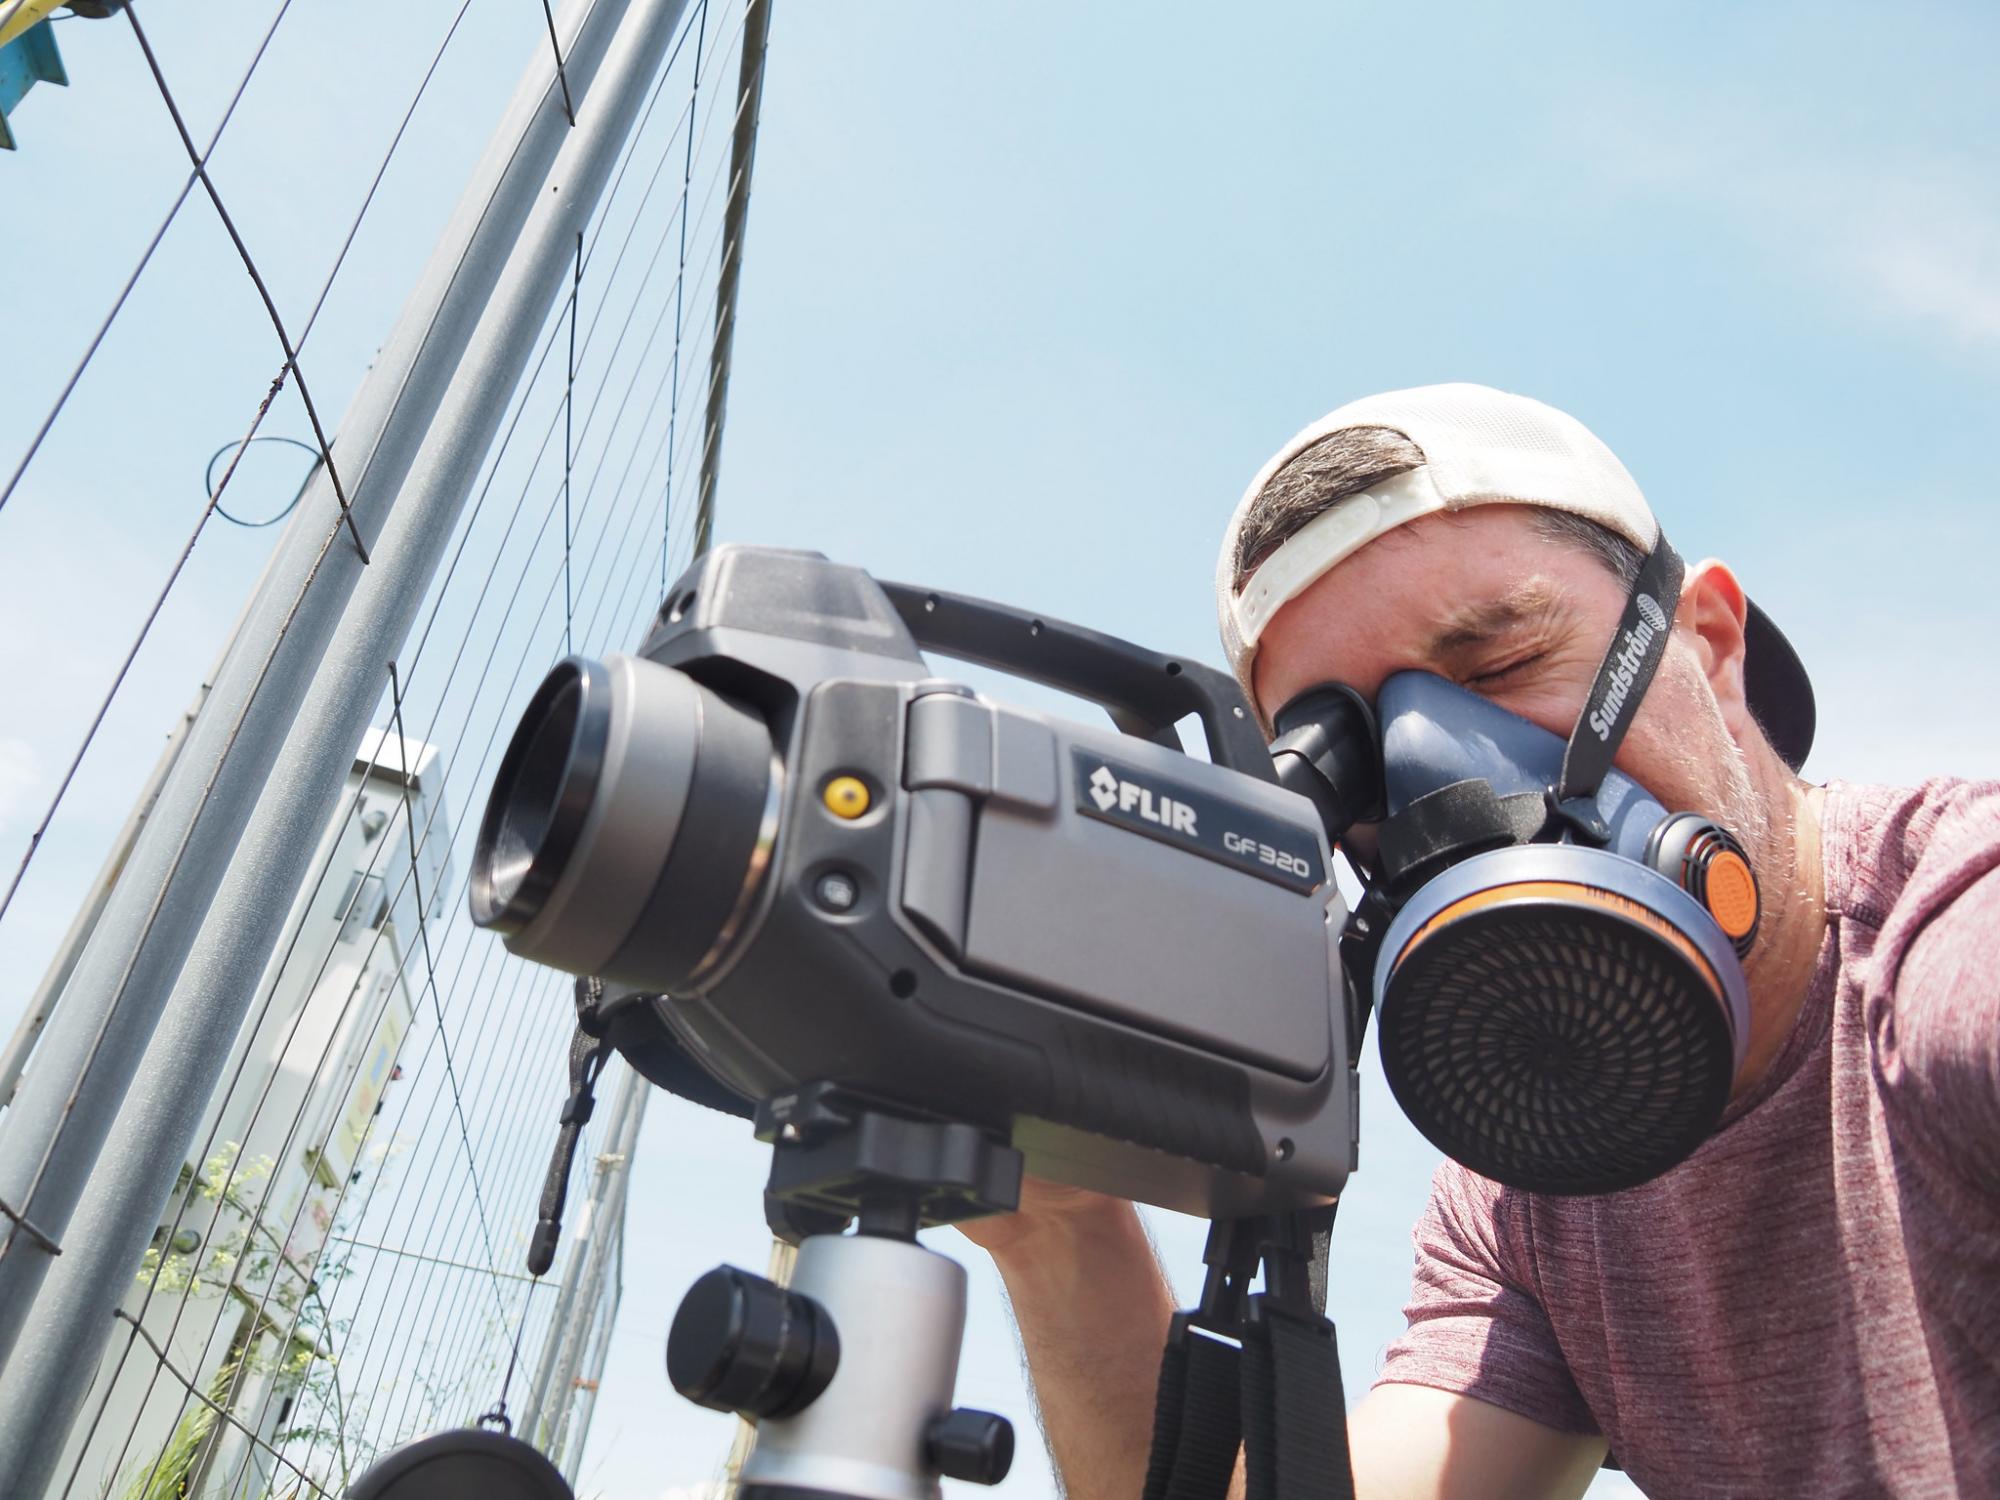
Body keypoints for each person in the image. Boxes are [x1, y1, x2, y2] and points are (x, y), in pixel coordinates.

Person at [961, 383, 2000, 1498]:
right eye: (1352, 755)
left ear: (1704, 639)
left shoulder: (1947, 940)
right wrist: (1059, 1217)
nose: (1441, 773)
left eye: (1499, 667)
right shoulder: (1524, 1201)